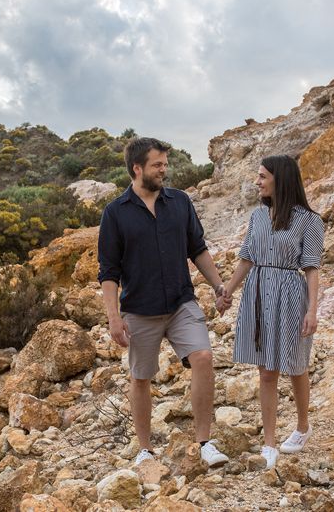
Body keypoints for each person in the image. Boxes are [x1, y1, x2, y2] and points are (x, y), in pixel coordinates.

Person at [98, 137, 229, 468]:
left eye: (165, 164)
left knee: (202, 357)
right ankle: (144, 449)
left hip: (181, 301)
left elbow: (196, 248)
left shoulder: (180, 202)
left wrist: (217, 285)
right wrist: (114, 318)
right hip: (140, 309)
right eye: (158, 165)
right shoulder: (115, 214)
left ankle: (205, 442)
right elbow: (109, 273)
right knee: (141, 377)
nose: (164, 170)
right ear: (137, 168)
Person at [217, 155, 324, 470]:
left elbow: (312, 268)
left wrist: (313, 311)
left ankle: (303, 427)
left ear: (281, 179)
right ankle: (269, 443)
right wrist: (227, 293)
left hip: (291, 294)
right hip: (258, 291)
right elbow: (246, 259)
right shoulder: (257, 217)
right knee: (266, 371)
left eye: (262, 176)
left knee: (295, 363)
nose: (258, 181)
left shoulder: (309, 220)